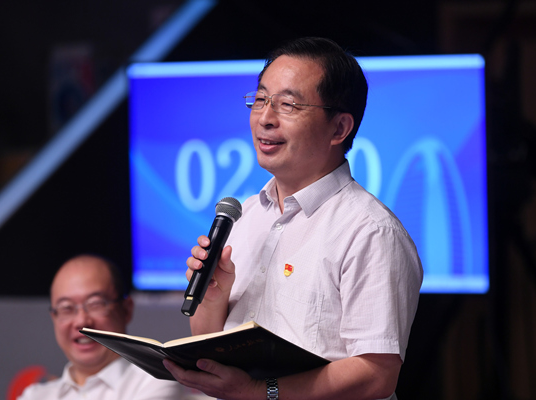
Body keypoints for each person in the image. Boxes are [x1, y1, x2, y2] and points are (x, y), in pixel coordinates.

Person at [163, 37, 424, 400]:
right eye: (260, 100)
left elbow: (375, 374)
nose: (265, 118)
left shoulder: (370, 231)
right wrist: (212, 298)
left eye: (287, 105)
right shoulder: (246, 214)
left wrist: (262, 392)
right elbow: (210, 343)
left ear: (339, 128)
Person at [18, 254, 186, 400]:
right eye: (67, 308)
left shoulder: (155, 382)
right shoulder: (35, 395)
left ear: (126, 310)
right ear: (54, 318)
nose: (81, 321)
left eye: (95, 304)